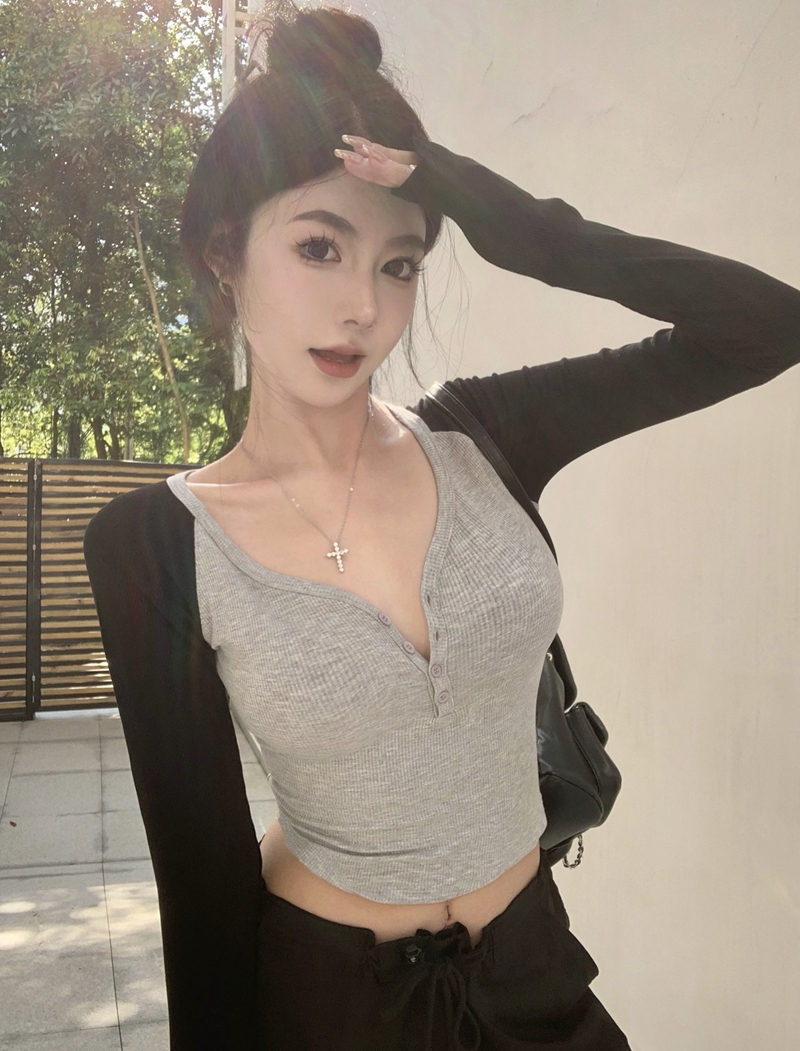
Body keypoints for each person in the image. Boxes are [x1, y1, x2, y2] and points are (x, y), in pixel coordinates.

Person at [82, 2, 800, 1049]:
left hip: (534, 974)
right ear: (227, 256)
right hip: (331, 1003)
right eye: (319, 247)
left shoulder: (485, 434)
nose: (363, 307)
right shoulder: (155, 545)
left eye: (401, 263)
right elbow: (201, 887)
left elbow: (766, 326)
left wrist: (480, 203)